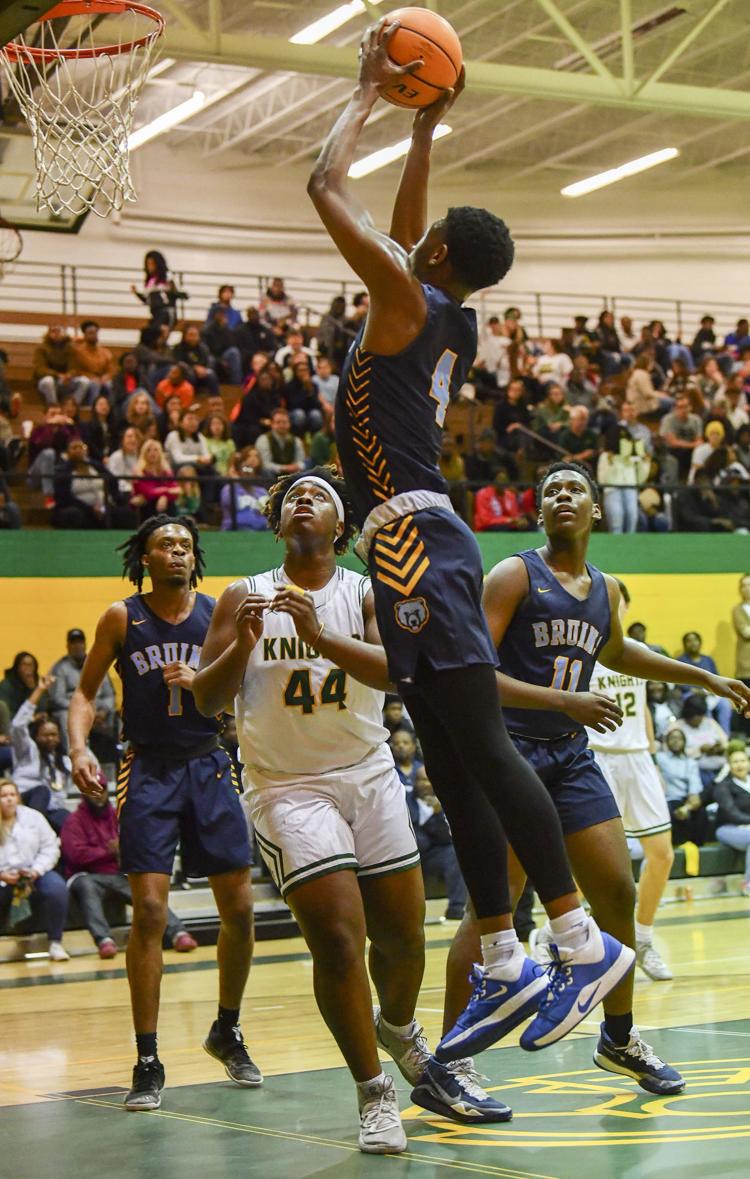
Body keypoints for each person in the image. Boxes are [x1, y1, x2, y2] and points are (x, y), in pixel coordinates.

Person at [308, 17, 635, 1068]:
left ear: (437, 255)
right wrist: (424, 133)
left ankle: (577, 940)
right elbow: (410, 235)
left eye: (426, 236)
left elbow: (323, 188)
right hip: (412, 536)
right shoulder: (443, 309)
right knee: (448, 750)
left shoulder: (407, 297)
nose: (415, 241)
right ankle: (501, 954)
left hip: (414, 538)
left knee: (479, 741)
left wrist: (368, 94)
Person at [193, 468, 508, 1153]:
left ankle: (400, 1028)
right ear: (278, 526)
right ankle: (374, 1091)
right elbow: (205, 701)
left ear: (340, 528)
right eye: (293, 498)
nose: (304, 500)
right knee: (338, 938)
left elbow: (396, 671)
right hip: (286, 785)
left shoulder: (367, 591)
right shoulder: (240, 596)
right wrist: (244, 646)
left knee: (402, 941)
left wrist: (320, 635)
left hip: (367, 774)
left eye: (320, 497)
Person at [443, 461, 750, 1093]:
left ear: (596, 511)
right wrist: (565, 702)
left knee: (616, 889)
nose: (561, 496)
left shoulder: (604, 588)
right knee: (492, 908)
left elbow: (615, 650)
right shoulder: (512, 575)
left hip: (570, 755)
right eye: (550, 490)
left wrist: (703, 676)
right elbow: (475, 672)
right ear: (539, 512)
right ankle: (451, 1059)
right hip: (511, 753)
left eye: (573, 489)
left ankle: (618, 1037)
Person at [68, 516, 258, 1111]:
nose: (178, 551)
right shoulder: (122, 617)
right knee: (150, 909)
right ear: (144, 557)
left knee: (242, 909)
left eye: (185, 545)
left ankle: (227, 1029)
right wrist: (78, 747)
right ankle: (147, 1057)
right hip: (147, 767)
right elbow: (83, 693)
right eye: (165, 545)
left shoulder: (217, 613)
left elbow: (240, 689)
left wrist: (204, 678)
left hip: (209, 762)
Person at [586, 582, 675, 981]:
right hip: (597, 757)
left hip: (637, 758)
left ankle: (643, 938)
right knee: (600, 864)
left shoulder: (640, 652)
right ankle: (568, 936)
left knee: (663, 853)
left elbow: (643, 710)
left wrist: (651, 754)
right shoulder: (582, 650)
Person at [60, 793, 197, 958]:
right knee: (87, 888)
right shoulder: (74, 821)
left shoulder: (118, 816)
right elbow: (74, 854)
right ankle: (104, 940)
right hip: (86, 875)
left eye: (102, 790)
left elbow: (139, 845)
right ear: (84, 796)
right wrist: (108, 851)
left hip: (118, 872)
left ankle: (179, 933)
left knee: (147, 893)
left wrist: (124, 849)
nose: (99, 797)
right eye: (93, 793)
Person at [0, 779, 69, 960]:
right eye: (3, 796)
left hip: (34, 873)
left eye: (12, 795)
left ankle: (56, 943)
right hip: (4, 877)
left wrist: (36, 870)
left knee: (57, 888)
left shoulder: (34, 817)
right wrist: (2, 875)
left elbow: (51, 847)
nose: (9, 800)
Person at [10, 673, 72, 834]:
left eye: (54, 734)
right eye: (46, 735)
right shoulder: (27, 750)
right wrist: (40, 690)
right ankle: (31, 835)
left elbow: (59, 796)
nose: (51, 739)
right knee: (41, 791)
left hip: (50, 809)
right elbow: (17, 725)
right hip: (23, 804)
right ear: (36, 736)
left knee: (74, 825)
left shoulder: (63, 762)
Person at [49, 628, 117, 762]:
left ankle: (112, 760)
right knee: (63, 715)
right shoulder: (60, 668)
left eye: (80, 642)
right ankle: (72, 757)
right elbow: (57, 698)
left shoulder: (97, 663)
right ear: (67, 646)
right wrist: (83, 710)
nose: (77, 646)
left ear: (85, 644)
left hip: (98, 710)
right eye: (73, 643)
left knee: (115, 714)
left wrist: (103, 711)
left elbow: (109, 695)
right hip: (73, 709)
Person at [410, 764, 468, 920]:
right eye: (421, 780)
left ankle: (456, 908)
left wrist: (437, 814)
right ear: (414, 782)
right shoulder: (405, 800)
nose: (426, 784)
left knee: (454, 852)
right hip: (410, 853)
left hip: (432, 856)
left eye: (429, 780)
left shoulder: (443, 803)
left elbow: (445, 838)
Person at [656, 728, 709, 849]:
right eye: (672, 738)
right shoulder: (660, 758)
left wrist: (688, 806)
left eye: (679, 738)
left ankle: (698, 847)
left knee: (701, 811)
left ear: (684, 742)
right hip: (668, 798)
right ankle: (674, 845)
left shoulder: (691, 762)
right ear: (667, 742)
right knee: (670, 808)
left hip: (687, 799)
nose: (676, 741)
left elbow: (694, 787)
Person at [677, 631, 732, 734]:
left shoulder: (708, 660)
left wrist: (712, 690)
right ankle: (710, 736)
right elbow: (677, 681)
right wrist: (693, 690)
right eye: (689, 641)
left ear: (700, 642)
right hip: (690, 694)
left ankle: (725, 736)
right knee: (702, 706)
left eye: (695, 640)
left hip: (709, 693)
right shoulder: (680, 661)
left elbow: (717, 678)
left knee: (725, 704)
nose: (693, 643)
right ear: (685, 644)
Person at [713, 746, 750, 895]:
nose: (739, 765)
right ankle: (748, 884)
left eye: (742, 760)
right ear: (729, 765)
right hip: (728, 828)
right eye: (735, 762)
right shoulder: (724, 786)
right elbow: (731, 812)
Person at [33, 325, 89, 406]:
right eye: (53, 331)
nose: (56, 334)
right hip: (47, 380)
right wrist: (57, 375)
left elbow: (74, 367)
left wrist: (69, 375)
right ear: (49, 333)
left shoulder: (70, 348)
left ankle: (73, 405)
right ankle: (53, 406)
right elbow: (40, 369)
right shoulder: (41, 349)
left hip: (65, 381)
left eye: (58, 331)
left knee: (84, 381)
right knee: (48, 381)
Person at [71, 321, 115, 405]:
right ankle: (92, 408)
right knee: (95, 385)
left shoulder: (105, 352)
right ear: (85, 335)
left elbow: (111, 370)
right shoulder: (79, 352)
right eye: (90, 333)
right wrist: (91, 377)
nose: (93, 335)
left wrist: (106, 377)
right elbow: (76, 370)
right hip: (87, 378)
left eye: (95, 333)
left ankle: (112, 408)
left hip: (102, 378)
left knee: (110, 385)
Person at [256, 407, 305, 478]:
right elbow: (265, 464)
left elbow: (301, 462)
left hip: (291, 476)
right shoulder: (263, 440)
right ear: (272, 424)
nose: (282, 425)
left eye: (284, 422)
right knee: (266, 471)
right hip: (271, 477)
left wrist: (297, 466)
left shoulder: (296, 440)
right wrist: (284, 468)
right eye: (278, 422)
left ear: (289, 424)